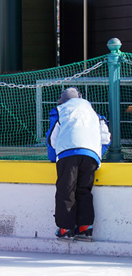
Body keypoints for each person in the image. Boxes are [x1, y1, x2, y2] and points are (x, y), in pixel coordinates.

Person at [46, 87, 111, 242]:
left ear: (63, 100)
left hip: (68, 153)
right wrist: (96, 153)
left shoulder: (60, 110)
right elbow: (106, 138)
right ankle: (85, 228)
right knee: (84, 190)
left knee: (66, 190)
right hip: (91, 155)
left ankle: (65, 229)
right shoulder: (94, 113)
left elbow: (52, 139)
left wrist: (53, 158)